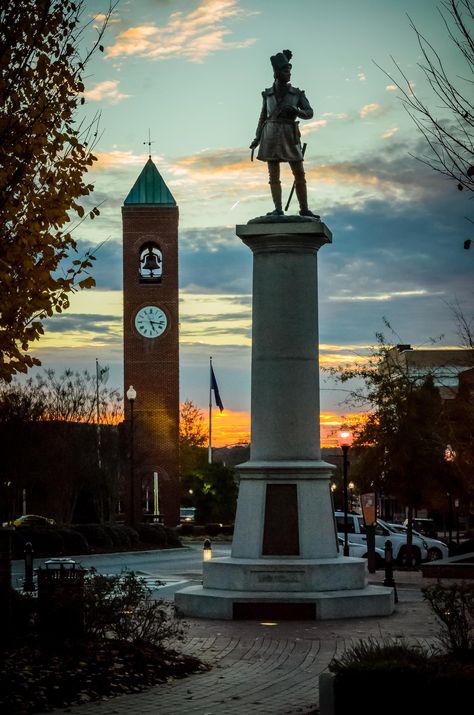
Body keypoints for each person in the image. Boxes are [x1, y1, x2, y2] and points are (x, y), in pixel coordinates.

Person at [250, 49, 318, 217]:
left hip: (289, 135)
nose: (289, 74)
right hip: (271, 135)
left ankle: (304, 209)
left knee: (299, 173)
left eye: (290, 71)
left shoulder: (297, 93)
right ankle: (278, 209)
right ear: (277, 73)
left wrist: (295, 110)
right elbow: (262, 117)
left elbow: (309, 112)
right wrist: (257, 138)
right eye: (286, 71)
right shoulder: (268, 94)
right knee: (273, 175)